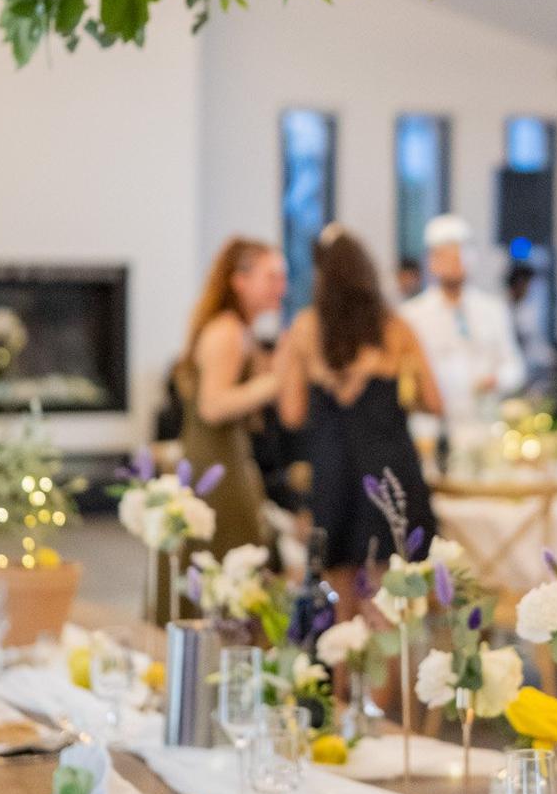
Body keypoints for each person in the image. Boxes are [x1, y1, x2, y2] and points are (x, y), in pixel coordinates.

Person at [279, 226, 442, 594]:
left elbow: (291, 414)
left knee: (337, 591)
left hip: (333, 468)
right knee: (387, 594)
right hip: (389, 472)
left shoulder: (304, 329)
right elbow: (434, 402)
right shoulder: (396, 329)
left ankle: (342, 651)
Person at [176, 238, 286, 560]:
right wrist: (278, 382)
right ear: (239, 281)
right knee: (229, 556)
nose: (281, 286)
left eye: (282, 277)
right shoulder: (227, 331)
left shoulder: (241, 330)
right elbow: (213, 406)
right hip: (217, 461)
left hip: (226, 456)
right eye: (272, 277)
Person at [400, 214, 524, 420]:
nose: (455, 262)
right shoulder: (412, 315)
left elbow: (514, 365)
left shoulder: (493, 309)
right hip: (433, 424)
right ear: (432, 261)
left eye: (459, 255)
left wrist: (497, 380)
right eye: (446, 256)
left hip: (484, 420)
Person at [506, 262, 556, 393]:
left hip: (532, 370)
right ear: (518, 284)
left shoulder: (528, 309)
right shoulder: (502, 311)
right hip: (512, 372)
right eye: (526, 284)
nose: (527, 289)